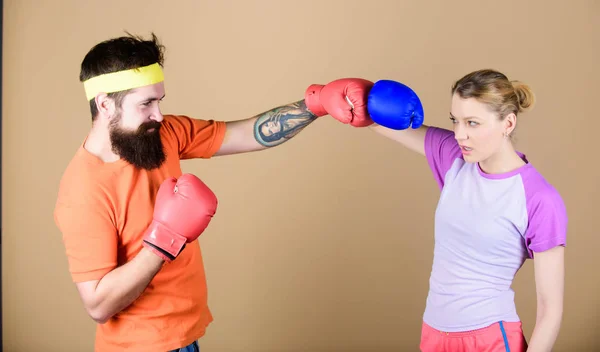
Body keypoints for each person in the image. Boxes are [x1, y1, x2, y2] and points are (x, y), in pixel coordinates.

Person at [53, 32, 376, 352]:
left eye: (159, 101)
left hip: (185, 336)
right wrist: (164, 240)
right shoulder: (84, 190)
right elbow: (97, 305)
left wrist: (315, 104)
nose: (159, 115)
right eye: (146, 103)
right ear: (105, 104)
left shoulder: (163, 134)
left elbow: (247, 134)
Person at [364, 70, 567, 351]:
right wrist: (353, 98)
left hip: (488, 339)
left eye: (472, 123)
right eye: (455, 121)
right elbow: (376, 121)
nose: (460, 134)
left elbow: (550, 310)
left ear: (508, 123)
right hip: (434, 334)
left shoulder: (539, 198)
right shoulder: (455, 158)